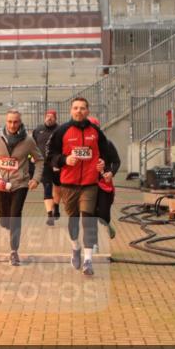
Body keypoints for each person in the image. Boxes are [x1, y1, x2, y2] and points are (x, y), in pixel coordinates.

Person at [46, 97, 116, 277]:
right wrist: (64, 160)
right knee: (73, 220)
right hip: (68, 184)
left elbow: (107, 155)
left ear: (88, 111)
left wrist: (104, 167)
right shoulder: (62, 131)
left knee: (88, 220)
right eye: (76, 108)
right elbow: (50, 155)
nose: (79, 111)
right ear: (71, 110)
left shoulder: (96, 132)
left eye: (83, 108)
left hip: (90, 184)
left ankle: (88, 261)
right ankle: (75, 247)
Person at [0, 109, 43, 266]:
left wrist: (35, 179)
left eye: (16, 122)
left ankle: (14, 251)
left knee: (15, 215)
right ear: (5, 121)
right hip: (1, 184)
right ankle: (9, 228)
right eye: (10, 121)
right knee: (4, 220)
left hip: (20, 183)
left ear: (20, 122)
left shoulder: (28, 140)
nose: (13, 125)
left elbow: (39, 160)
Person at [87, 116, 120, 246]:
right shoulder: (81, 146)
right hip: (88, 184)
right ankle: (93, 245)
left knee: (102, 215)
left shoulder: (107, 144)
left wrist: (111, 172)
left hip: (104, 185)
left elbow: (116, 161)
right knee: (90, 216)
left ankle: (106, 223)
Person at [32, 109, 61, 226]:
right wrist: (32, 156)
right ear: (45, 117)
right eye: (48, 116)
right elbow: (32, 145)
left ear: (55, 118)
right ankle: (50, 215)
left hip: (57, 164)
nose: (49, 118)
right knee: (47, 187)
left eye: (52, 116)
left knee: (58, 187)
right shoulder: (38, 130)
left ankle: (57, 207)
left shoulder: (60, 130)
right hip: (43, 164)